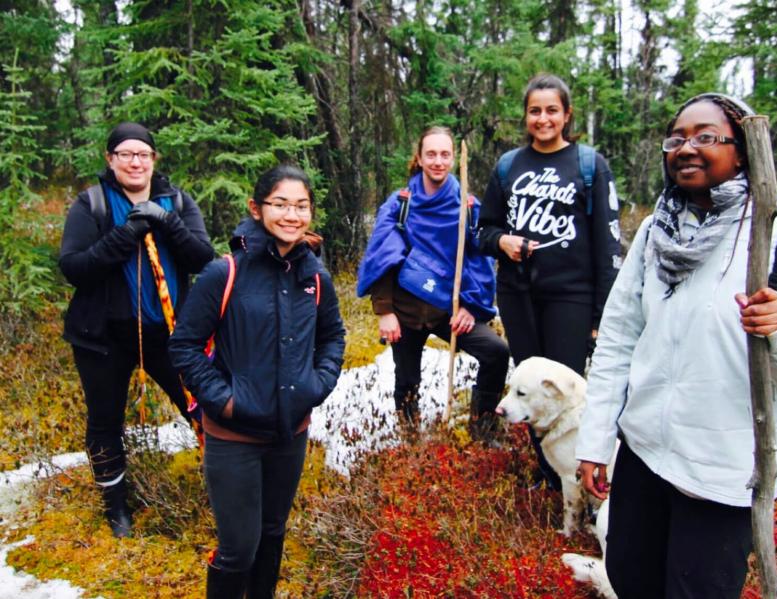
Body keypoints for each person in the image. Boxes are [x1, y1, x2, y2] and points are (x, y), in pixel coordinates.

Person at [575, 93, 777, 599]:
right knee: (630, 576)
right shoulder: (657, 232)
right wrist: (596, 440)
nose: (686, 148)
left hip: (724, 468)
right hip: (643, 451)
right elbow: (618, 339)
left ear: (742, 150)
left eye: (706, 137)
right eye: (677, 138)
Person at [169, 164, 345, 598]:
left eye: (301, 206)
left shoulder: (315, 275)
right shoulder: (223, 273)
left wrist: (315, 385)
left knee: (272, 532)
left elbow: (333, 336)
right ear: (257, 208)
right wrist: (224, 401)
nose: (292, 215)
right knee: (238, 548)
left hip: (291, 432)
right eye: (280, 204)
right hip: (234, 435)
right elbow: (184, 346)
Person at [58, 122, 214, 538]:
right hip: (102, 338)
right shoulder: (91, 204)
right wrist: (127, 234)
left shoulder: (176, 201)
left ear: (153, 160)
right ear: (110, 160)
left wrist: (166, 223)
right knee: (105, 422)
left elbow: (203, 258)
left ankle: (225, 489)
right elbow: (74, 267)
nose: (135, 161)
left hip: (170, 335)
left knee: (202, 407)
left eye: (142, 154)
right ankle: (116, 509)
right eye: (125, 154)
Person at [477, 74, 621, 487]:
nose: (543, 119)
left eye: (552, 110)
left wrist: (600, 314)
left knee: (565, 388)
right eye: (535, 111)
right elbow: (483, 232)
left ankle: (578, 471)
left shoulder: (589, 165)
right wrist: (503, 240)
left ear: (567, 114)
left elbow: (607, 247)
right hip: (518, 295)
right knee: (528, 388)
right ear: (526, 116)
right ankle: (547, 472)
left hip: (571, 298)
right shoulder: (509, 166)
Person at [357, 126, 508, 440]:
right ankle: (411, 446)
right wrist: (385, 312)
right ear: (419, 158)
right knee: (407, 380)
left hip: (446, 311)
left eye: (445, 154)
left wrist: (470, 306)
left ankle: (483, 433)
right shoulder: (401, 204)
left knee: (495, 352)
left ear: (453, 158)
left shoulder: (467, 207)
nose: (438, 161)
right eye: (431, 154)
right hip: (406, 312)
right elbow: (384, 259)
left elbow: (479, 260)